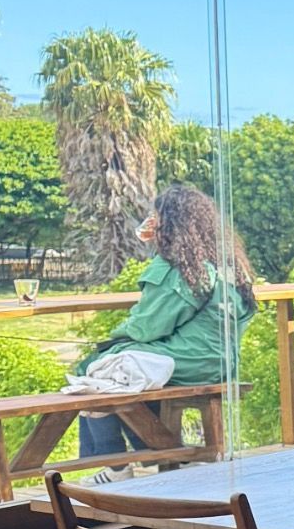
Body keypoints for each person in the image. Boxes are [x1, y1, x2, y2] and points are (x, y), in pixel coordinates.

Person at [72, 184, 257, 474]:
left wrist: (115, 338)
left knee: (94, 370)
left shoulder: (182, 268)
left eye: (155, 218)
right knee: (118, 369)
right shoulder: (229, 265)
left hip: (187, 362)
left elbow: (147, 327)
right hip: (221, 363)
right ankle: (156, 450)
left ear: (168, 224)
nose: (151, 224)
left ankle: (116, 464)